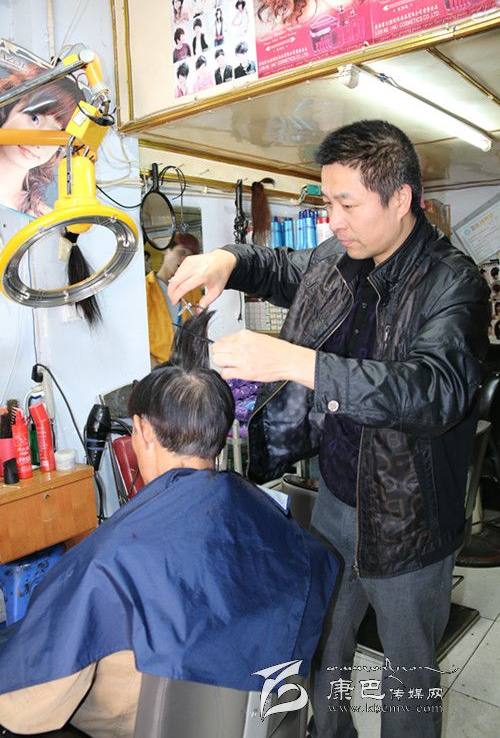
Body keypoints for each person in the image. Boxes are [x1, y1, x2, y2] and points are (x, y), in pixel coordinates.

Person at [168, 119, 490, 737]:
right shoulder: (337, 258)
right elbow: (278, 267)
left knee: (408, 682)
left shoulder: (455, 284)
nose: (333, 221)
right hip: (336, 502)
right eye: (327, 203)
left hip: (410, 522)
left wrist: (298, 363)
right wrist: (227, 259)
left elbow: (431, 392)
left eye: (347, 204)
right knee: (322, 645)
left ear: (401, 199)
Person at [0, 312, 339, 738]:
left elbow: (31, 705)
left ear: (142, 430)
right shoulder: (285, 533)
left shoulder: (109, 563)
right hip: (258, 721)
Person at [0, 68, 83, 217]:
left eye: (55, 134)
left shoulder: (44, 218)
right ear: (8, 108)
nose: (38, 141)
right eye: (35, 119)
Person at [145, 232, 203, 365]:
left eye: (190, 257)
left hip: (186, 366)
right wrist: (154, 367)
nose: (185, 260)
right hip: (155, 368)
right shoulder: (145, 289)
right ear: (166, 250)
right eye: (182, 252)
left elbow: (199, 330)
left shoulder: (192, 290)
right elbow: (134, 336)